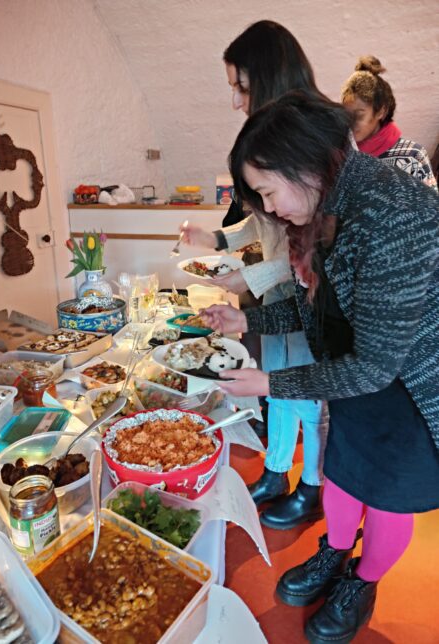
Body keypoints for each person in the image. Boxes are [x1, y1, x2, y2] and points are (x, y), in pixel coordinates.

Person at [201, 92, 439, 643]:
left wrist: (270, 382)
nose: (272, 208)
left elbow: (377, 367)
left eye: (267, 192)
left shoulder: (394, 211)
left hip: (407, 388)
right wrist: (248, 324)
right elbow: (324, 301)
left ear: (300, 161)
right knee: (341, 473)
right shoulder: (339, 199)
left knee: (384, 494)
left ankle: (364, 577)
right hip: (356, 371)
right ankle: (334, 550)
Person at [181, 20, 329, 530]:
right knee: (278, 385)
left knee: (306, 391)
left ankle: (312, 485)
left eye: (241, 86)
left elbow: (308, 241)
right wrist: (219, 241)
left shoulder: (310, 138)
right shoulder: (272, 136)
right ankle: (276, 471)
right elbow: (266, 217)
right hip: (279, 290)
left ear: (267, 76)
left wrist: (253, 281)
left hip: (305, 292)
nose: (236, 101)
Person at [341, 56, 437, 189]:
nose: (351, 123)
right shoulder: (341, 157)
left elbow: (431, 208)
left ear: (381, 111)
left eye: (358, 115)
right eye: (346, 115)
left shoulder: (413, 157)